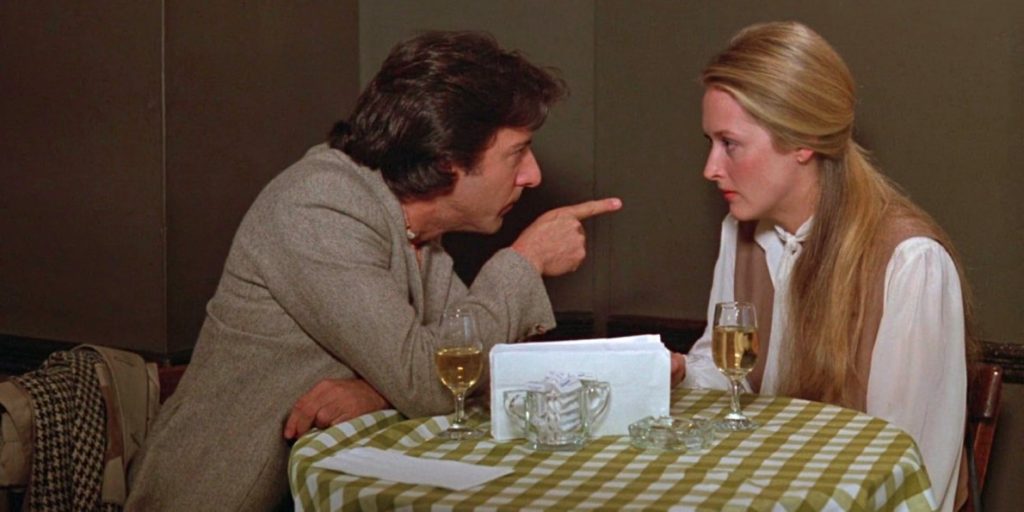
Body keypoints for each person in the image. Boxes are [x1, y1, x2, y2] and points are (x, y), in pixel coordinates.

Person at [126, 31, 624, 511]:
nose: (533, 175)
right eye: (517, 153)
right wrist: (525, 260)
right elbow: (428, 380)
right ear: (446, 159)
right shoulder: (320, 203)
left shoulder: (416, 230)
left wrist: (376, 393)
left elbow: (465, 367)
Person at [677, 21, 975, 512]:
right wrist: (679, 372)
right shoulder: (740, 230)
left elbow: (909, 467)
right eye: (710, 142)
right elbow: (726, 372)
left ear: (803, 141)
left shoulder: (910, 261)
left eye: (729, 143)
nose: (710, 168)